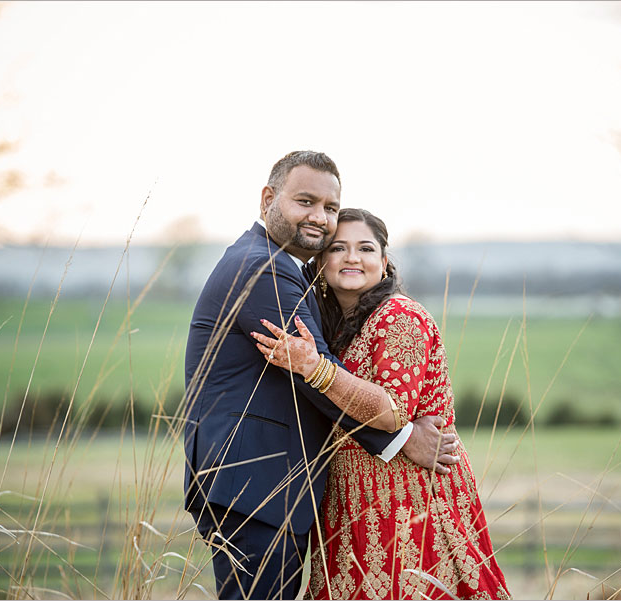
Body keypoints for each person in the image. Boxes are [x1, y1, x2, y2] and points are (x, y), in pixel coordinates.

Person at [183, 151, 461, 600]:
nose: (320, 217)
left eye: (330, 208)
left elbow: (314, 370)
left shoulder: (269, 262)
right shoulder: (264, 267)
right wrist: (400, 435)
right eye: (305, 201)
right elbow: (313, 376)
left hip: (262, 486)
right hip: (256, 483)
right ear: (268, 199)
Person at [253, 208, 511, 600]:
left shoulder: (399, 317)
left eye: (365, 248)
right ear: (321, 261)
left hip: (409, 499)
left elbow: (391, 413)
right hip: (352, 501)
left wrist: (311, 366)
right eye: (338, 248)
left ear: (384, 262)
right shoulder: (336, 327)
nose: (352, 257)